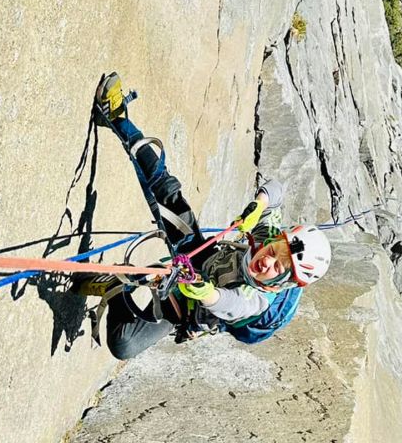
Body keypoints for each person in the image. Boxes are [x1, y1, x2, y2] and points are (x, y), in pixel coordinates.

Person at [90, 72, 331, 359]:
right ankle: (117, 117)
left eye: (278, 267)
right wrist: (259, 203)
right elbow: (276, 191)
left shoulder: (259, 301)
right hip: (200, 257)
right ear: (277, 240)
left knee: (125, 345)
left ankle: (116, 286)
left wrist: (203, 292)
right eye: (275, 250)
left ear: (286, 281)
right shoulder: (268, 237)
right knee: (167, 191)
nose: (267, 260)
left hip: (189, 304)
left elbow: (228, 303)